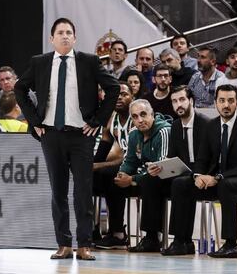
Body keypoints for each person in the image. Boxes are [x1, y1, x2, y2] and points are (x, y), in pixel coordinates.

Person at [14, 17, 119, 261]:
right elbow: (20, 88)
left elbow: (113, 88)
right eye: (59, 32)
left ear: (75, 37)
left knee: (83, 190)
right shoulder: (40, 62)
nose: (64, 36)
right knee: (57, 192)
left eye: (68, 32)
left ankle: (85, 244)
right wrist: (34, 121)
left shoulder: (89, 62)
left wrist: (97, 120)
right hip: (51, 135)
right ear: (51, 38)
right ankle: (63, 244)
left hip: (81, 135)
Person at [164, 84, 237, 258]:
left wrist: (217, 177)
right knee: (181, 183)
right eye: (222, 101)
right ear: (216, 103)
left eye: (230, 101)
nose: (226, 105)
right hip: (219, 180)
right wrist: (198, 176)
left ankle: (231, 244)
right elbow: (203, 158)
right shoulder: (211, 126)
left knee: (227, 185)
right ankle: (181, 241)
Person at [114, 99, 171, 253]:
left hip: (167, 177)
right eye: (135, 117)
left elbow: (162, 167)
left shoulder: (164, 131)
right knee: (112, 179)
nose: (140, 120)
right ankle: (116, 233)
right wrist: (122, 174)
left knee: (151, 181)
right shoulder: (134, 134)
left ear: (152, 114)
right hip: (146, 175)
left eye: (143, 115)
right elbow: (130, 161)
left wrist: (132, 179)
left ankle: (152, 237)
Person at [159, 85, 210, 255]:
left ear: (191, 101)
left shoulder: (206, 124)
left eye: (182, 100)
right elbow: (172, 156)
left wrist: (197, 173)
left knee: (180, 184)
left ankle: (180, 240)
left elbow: (210, 158)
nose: (178, 105)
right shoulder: (174, 126)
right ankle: (151, 236)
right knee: (150, 180)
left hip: (203, 173)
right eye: (174, 101)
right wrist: (161, 167)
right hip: (183, 172)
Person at [93, 82, 135, 249]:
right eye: (116, 94)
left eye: (124, 94)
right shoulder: (112, 120)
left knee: (111, 174)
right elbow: (101, 152)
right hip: (123, 165)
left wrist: (99, 166)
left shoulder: (136, 118)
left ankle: (118, 233)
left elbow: (130, 157)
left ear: (133, 97)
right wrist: (90, 167)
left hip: (139, 165)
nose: (119, 97)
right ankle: (89, 229)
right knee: (84, 176)